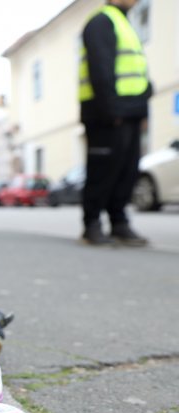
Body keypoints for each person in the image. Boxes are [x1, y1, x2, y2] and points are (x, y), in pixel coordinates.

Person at [79, 0, 151, 246]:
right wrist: (111, 110)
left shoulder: (125, 23)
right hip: (106, 114)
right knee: (103, 170)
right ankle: (92, 223)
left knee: (126, 171)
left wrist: (142, 110)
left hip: (130, 111)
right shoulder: (101, 22)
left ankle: (119, 222)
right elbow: (100, 69)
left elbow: (137, 70)